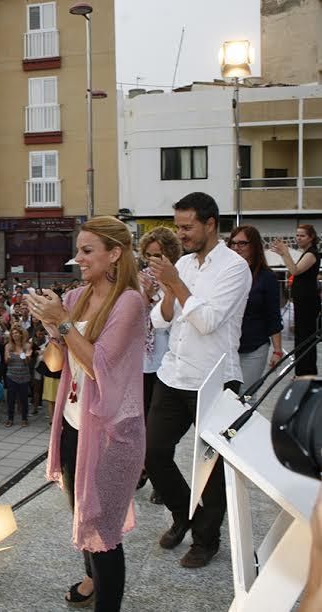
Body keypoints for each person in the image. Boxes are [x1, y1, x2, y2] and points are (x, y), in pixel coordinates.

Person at [28, 216, 147, 611]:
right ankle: (90, 578)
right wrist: (50, 327)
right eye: (77, 249)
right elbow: (57, 365)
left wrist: (62, 323)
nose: (77, 258)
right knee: (81, 515)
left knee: (103, 532)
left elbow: (101, 368)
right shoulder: (77, 298)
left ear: (114, 254)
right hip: (74, 426)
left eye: (87, 250)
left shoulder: (129, 301)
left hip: (113, 434)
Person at [146, 192, 252, 569]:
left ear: (210, 224)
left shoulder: (235, 269)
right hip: (173, 375)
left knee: (211, 470)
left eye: (187, 226)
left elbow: (207, 322)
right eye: (178, 226)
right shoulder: (185, 264)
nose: (182, 234)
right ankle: (183, 514)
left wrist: (175, 282)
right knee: (153, 453)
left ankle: (206, 540)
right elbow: (161, 319)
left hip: (215, 379)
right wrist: (170, 286)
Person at [136, 227, 183, 503]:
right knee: (141, 419)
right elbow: (136, 315)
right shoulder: (138, 279)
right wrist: (145, 293)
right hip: (142, 359)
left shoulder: (179, 277)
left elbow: (174, 316)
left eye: (160, 255)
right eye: (150, 255)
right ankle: (143, 468)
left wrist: (164, 288)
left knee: (159, 426)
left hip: (167, 359)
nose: (154, 260)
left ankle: (159, 476)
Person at [229, 225, 284, 390]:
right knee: (223, 398)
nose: (236, 248)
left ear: (254, 246)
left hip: (253, 348)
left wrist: (277, 350)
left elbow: (273, 316)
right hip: (226, 348)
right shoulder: (226, 274)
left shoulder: (267, 278)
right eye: (233, 243)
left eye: (242, 243)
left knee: (245, 398)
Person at [272, 224, 320, 376]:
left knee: (305, 335)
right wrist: (283, 254)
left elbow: (295, 270)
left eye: (302, 235)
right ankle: (302, 370)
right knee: (301, 335)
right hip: (303, 299)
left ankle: (306, 371)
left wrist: (285, 253)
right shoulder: (306, 253)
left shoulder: (311, 254)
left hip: (308, 301)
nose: (298, 238)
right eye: (297, 235)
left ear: (311, 237)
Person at [3, 326, 33, 428]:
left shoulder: (27, 346)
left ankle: (24, 419)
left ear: (21, 334)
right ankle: (10, 419)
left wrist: (26, 356)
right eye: (13, 333)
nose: (15, 335)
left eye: (16, 333)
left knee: (24, 399)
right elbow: (6, 362)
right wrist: (8, 358)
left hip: (24, 376)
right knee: (10, 399)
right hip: (11, 375)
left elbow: (27, 362)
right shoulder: (8, 346)